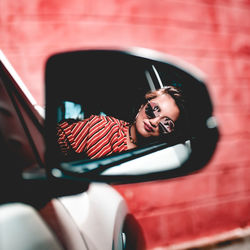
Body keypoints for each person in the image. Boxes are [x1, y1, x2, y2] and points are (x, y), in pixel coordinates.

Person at [56, 85, 186, 161]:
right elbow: (54, 141)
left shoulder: (156, 159)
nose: (154, 122)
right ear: (142, 106)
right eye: (154, 109)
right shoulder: (101, 126)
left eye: (166, 123)